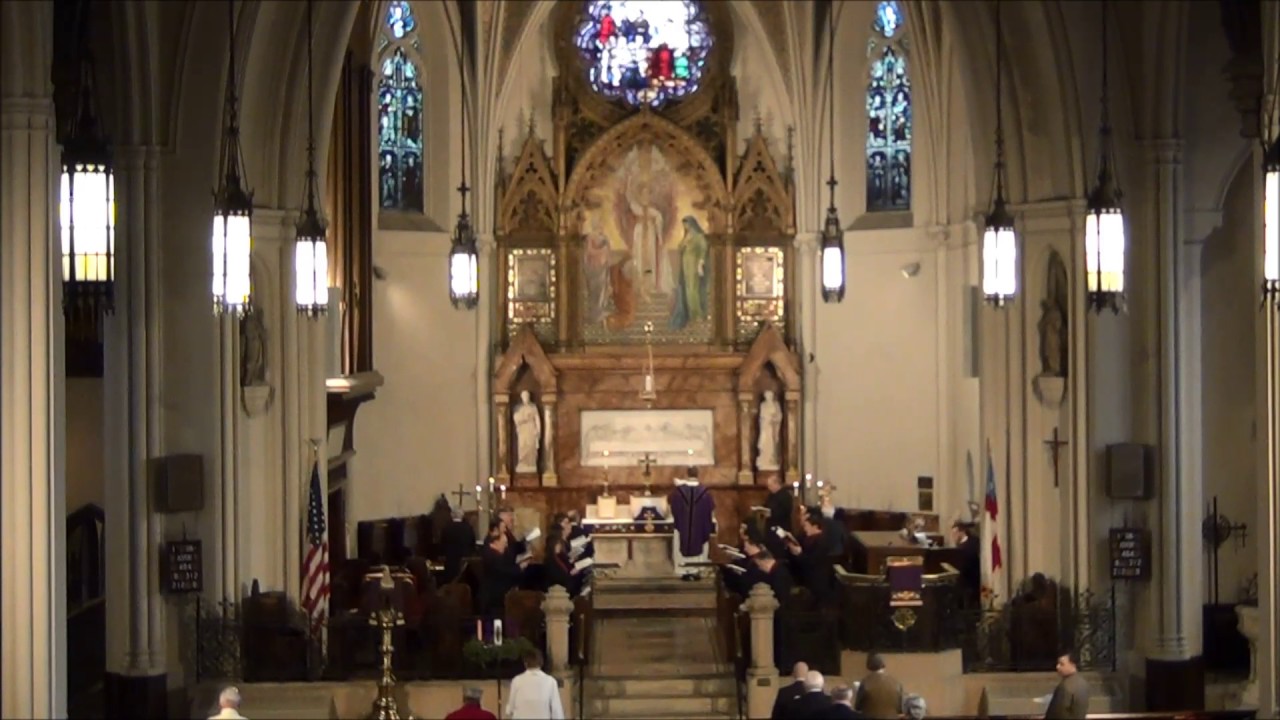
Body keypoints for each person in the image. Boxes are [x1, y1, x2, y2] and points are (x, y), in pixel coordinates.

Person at [506, 648, 565, 720]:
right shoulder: (550, 681)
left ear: (525, 663)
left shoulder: (517, 680)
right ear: (541, 663)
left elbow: (510, 707)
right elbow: (556, 710)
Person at [480, 532, 526, 616]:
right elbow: (504, 571)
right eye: (504, 543)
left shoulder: (496, 555)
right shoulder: (492, 556)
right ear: (496, 542)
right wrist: (519, 567)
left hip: (497, 598)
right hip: (493, 599)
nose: (506, 546)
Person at [854, 653, 904, 719]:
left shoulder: (865, 682)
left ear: (869, 666)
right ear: (884, 665)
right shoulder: (896, 683)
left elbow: (858, 707)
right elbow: (900, 708)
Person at [1044, 650, 1090, 719]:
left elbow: (1057, 712)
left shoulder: (1065, 687)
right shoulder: (1083, 683)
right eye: (1058, 663)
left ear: (1073, 665)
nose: (1058, 667)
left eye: (1062, 664)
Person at [442, 508, 478, 584]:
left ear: (451, 515)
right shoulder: (468, 528)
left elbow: (442, 544)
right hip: (465, 561)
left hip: (450, 561)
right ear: (462, 516)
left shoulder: (446, 528)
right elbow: (473, 544)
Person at [950, 521, 980, 605]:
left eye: (954, 533)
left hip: (971, 579)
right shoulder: (959, 546)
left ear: (961, 531)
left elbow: (970, 559)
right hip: (963, 580)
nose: (953, 537)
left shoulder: (973, 542)